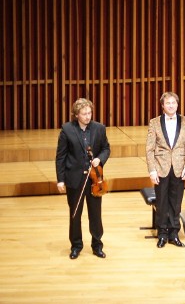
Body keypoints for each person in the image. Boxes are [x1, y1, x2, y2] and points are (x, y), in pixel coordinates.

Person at [55, 98, 111, 260]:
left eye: (89, 113)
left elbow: (106, 148)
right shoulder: (67, 129)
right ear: (76, 115)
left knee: (95, 214)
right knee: (75, 214)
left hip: (95, 180)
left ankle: (97, 244)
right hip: (74, 179)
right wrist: (60, 179)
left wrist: (99, 159)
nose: (88, 116)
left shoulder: (99, 128)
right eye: (84, 114)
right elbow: (61, 157)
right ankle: (76, 245)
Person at [146, 91, 185, 248]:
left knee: (176, 202)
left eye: (174, 103)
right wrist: (152, 170)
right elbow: (149, 149)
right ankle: (162, 234)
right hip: (161, 167)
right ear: (162, 106)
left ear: (177, 104)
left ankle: (174, 233)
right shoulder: (154, 123)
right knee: (161, 202)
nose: (171, 105)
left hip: (180, 168)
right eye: (168, 103)